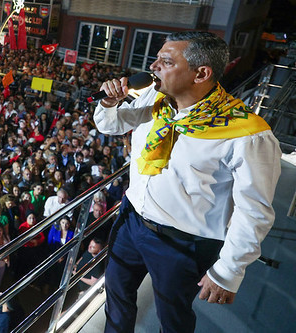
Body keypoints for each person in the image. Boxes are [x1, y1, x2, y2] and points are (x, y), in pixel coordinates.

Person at [95, 31, 281, 333]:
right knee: (116, 296)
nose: (153, 67)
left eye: (167, 62)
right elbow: (111, 125)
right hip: (131, 220)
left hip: (183, 244)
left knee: (172, 317)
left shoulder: (246, 134)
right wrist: (108, 102)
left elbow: (254, 211)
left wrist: (228, 271)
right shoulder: (155, 98)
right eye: (156, 59)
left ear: (201, 74)